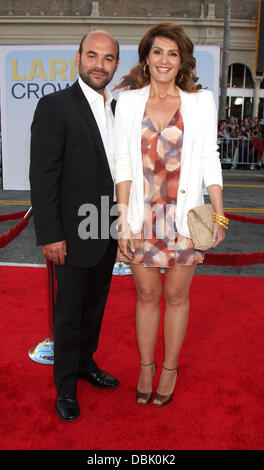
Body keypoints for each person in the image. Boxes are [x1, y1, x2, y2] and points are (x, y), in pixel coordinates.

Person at [113, 23, 226, 408]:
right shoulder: (127, 101)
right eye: (158, 52)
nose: (164, 60)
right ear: (146, 57)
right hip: (142, 217)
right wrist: (122, 221)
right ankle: (146, 366)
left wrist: (220, 214)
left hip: (184, 217)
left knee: (176, 297)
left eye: (172, 54)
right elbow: (123, 164)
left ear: (182, 62)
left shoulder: (199, 102)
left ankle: (170, 368)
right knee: (146, 295)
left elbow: (210, 157)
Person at [30, 30, 120, 421]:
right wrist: (51, 234)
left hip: (107, 227)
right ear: (78, 58)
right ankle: (65, 386)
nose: (99, 65)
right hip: (71, 232)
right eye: (93, 56)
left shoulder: (117, 109)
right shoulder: (55, 106)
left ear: (116, 65)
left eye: (108, 59)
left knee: (95, 307)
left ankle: (85, 364)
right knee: (68, 313)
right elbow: (44, 175)